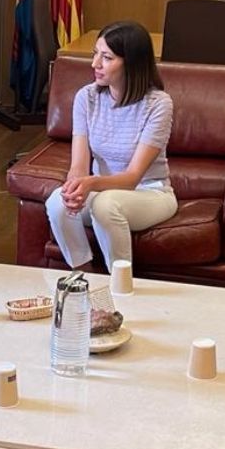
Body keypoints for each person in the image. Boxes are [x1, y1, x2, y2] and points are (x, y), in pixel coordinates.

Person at [45, 20, 178, 272]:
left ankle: (120, 284)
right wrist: (74, 189)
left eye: (106, 58)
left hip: (149, 193)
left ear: (131, 63)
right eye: (95, 54)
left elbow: (132, 177)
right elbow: (78, 166)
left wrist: (91, 184)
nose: (95, 64)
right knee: (57, 202)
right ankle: (83, 276)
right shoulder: (86, 97)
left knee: (105, 205)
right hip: (100, 192)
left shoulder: (158, 104)